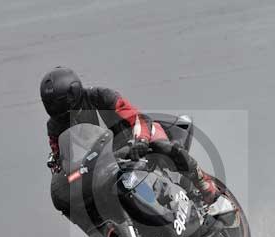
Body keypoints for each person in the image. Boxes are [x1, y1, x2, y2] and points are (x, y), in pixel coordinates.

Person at [40, 66, 218, 216]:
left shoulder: (101, 97)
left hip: (134, 142)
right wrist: (64, 182)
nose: (57, 109)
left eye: (59, 103)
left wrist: (140, 141)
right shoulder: (55, 127)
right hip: (103, 164)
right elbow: (60, 160)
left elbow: (137, 118)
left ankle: (204, 185)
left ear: (74, 92)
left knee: (162, 147)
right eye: (51, 104)